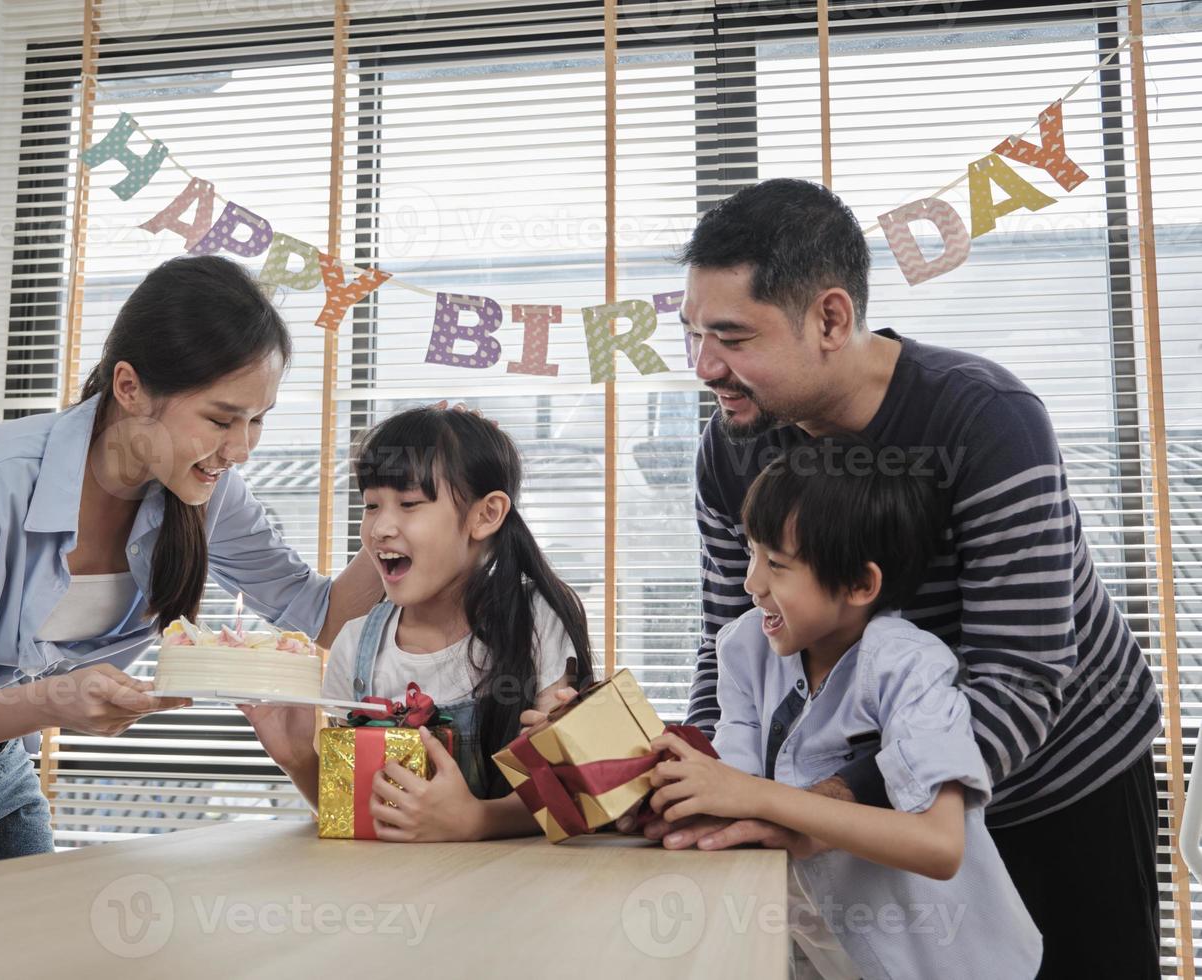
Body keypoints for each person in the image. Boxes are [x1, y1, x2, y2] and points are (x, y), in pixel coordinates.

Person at [657, 177, 1160, 978]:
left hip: (1059, 775)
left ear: (830, 318)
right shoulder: (732, 449)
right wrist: (714, 785)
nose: (703, 366)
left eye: (732, 337)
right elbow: (734, 654)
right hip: (866, 797)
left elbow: (1021, 676)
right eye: (691, 334)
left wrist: (824, 809)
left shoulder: (983, 419)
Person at [0, 255, 384, 894]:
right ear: (129, 387)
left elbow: (325, 617)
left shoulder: (207, 492)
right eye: (221, 419)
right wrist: (52, 702)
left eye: (258, 420)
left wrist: (398, 511)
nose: (241, 448)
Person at [647, 442, 1040, 979]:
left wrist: (762, 796)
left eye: (778, 565)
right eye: (752, 553)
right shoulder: (744, 648)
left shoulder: (910, 665)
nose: (752, 583)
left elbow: (939, 845)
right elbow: (730, 784)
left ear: (860, 584)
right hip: (826, 951)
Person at [247, 406, 594, 841]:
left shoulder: (536, 619)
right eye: (372, 505)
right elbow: (357, 812)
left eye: (409, 504)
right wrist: (297, 757)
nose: (380, 528)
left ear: (485, 515)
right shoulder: (356, 646)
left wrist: (476, 821)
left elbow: (570, 791)